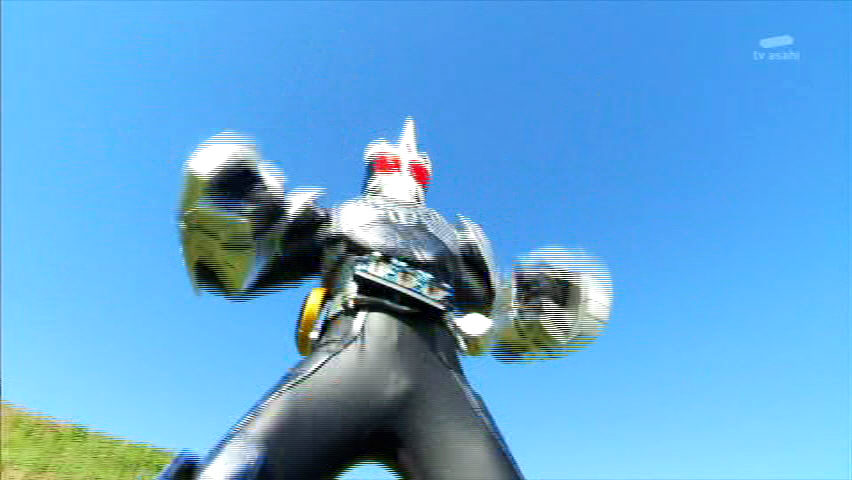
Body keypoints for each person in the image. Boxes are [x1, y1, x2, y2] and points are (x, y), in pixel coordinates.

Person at [158, 118, 612, 480]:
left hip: (431, 371)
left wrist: (536, 305)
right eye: (391, 164)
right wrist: (240, 201)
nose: (403, 173)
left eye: (414, 169)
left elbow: (503, 316)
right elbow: (242, 268)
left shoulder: (461, 243)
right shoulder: (335, 217)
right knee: (233, 473)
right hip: (353, 351)